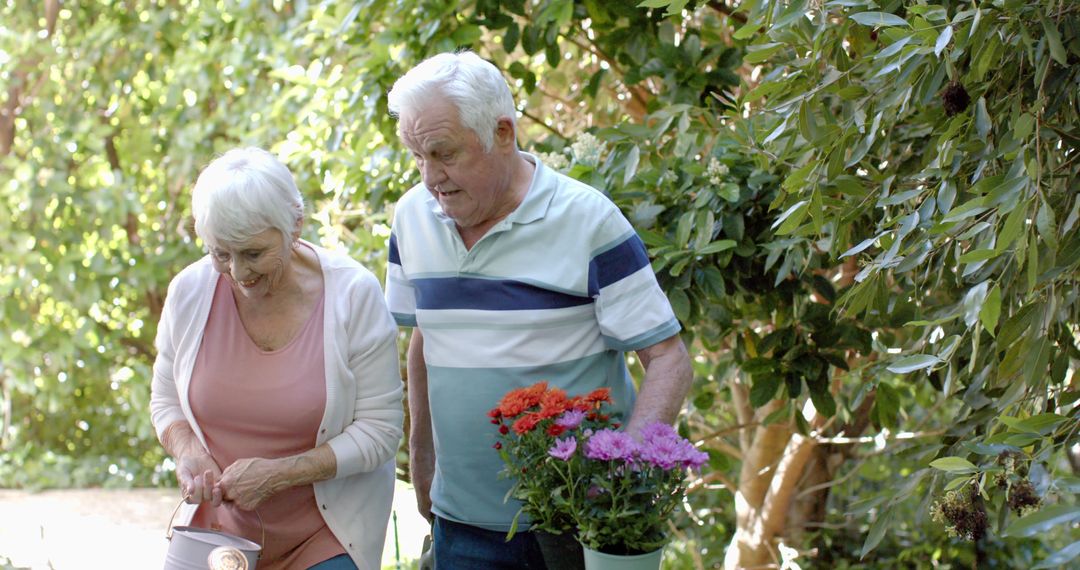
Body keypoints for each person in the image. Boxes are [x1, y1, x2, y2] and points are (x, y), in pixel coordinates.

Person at [384, 51, 694, 569]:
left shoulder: (588, 220)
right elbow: (426, 338)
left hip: (573, 528)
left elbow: (669, 359)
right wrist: (421, 459)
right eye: (417, 156)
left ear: (503, 133)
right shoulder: (411, 217)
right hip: (460, 523)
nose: (429, 177)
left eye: (444, 153)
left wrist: (622, 479)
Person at [150, 147, 403, 570]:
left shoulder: (352, 294)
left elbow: (380, 430)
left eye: (253, 253)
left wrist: (282, 474)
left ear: (295, 225)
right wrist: (187, 450)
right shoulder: (190, 291)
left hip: (325, 533)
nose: (238, 273)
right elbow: (165, 400)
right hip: (215, 537)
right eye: (221, 253)